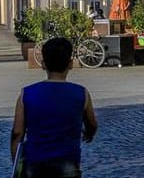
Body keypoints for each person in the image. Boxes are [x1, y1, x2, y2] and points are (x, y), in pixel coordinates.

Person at [11, 37, 98, 178]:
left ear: (43, 64)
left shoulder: (26, 94)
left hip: (34, 164)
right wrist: (89, 133)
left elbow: (17, 132)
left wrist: (16, 163)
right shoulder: (81, 93)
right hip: (68, 164)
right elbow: (92, 123)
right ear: (70, 64)